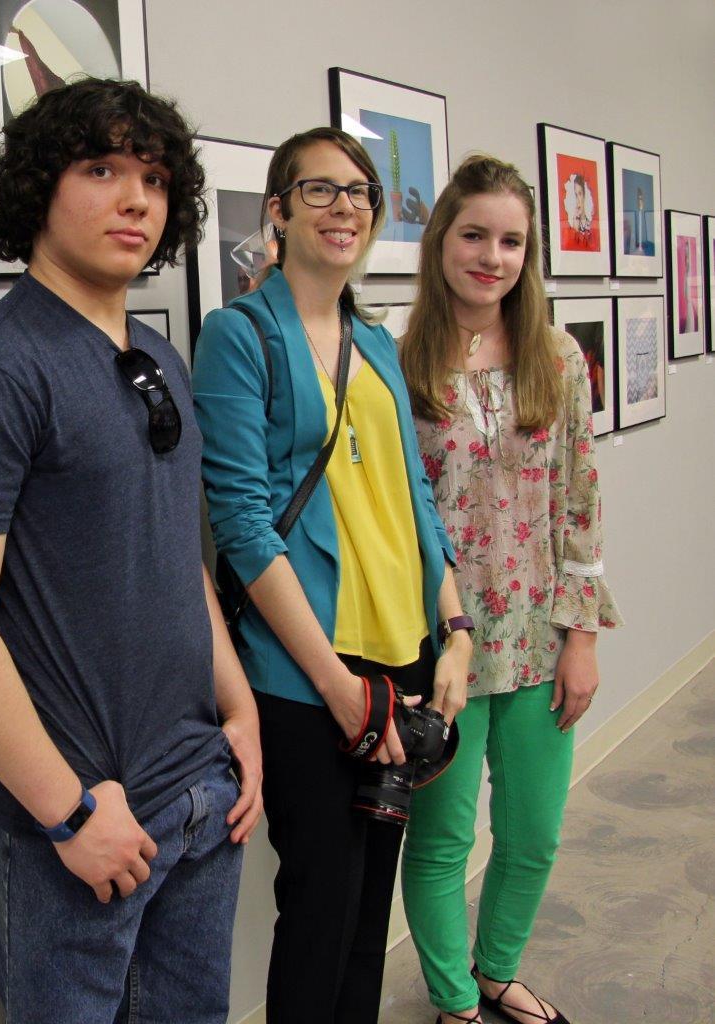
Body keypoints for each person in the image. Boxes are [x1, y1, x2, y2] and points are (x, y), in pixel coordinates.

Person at [0, 78, 262, 1024]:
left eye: (151, 177)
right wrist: (67, 812)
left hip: (196, 796)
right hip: (78, 822)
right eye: (100, 169)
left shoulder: (159, 356)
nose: (134, 198)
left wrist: (239, 709)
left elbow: (174, 551)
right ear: (39, 190)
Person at [193, 126, 472, 1024]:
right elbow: (239, 524)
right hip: (308, 673)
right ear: (277, 211)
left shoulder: (375, 340)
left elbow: (414, 494)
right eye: (320, 190)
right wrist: (337, 688)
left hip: (403, 658)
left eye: (360, 192)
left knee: (366, 914)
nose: (345, 206)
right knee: (318, 907)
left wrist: (456, 627)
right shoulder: (239, 336)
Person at [399, 154, 623, 1024]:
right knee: (443, 842)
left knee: (532, 834)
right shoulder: (392, 358)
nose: (492, 256)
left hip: (540, 638)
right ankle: (455, 1001)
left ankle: (497, 969)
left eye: (512, 242)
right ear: (442, 240)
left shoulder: (556, 355)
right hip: (442, 645)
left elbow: (580, 500)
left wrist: (585, 637)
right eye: (475, 235)